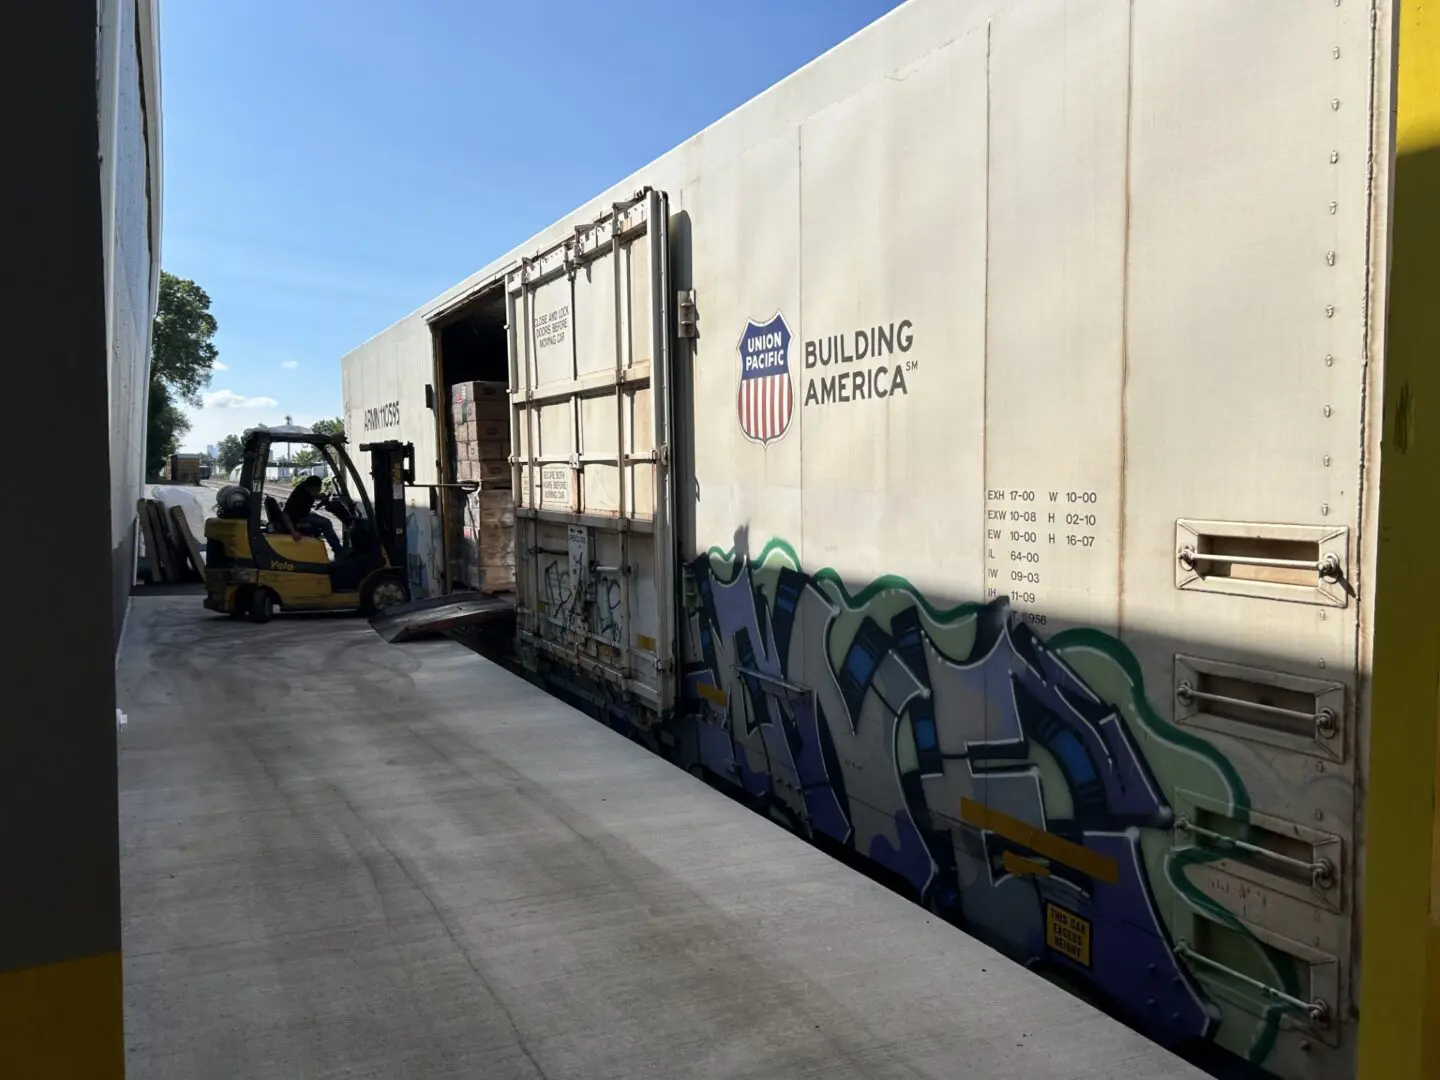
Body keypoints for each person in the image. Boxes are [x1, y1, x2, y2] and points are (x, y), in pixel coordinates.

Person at [281, 475, 342, 556]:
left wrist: (321, 496)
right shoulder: (298, 496)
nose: (318, 491)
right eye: (316, 490)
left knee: (320, 518)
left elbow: (312, 495)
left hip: (304, 515)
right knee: (326, 523)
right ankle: (339, 551)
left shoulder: (306, 490)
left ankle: (338, 549)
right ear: (309, 487)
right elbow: (285, 514)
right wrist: (293, 532)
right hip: (298, 519)